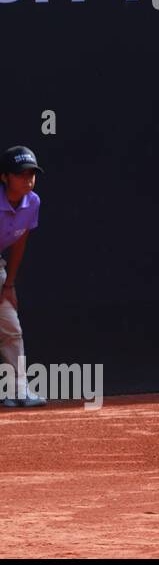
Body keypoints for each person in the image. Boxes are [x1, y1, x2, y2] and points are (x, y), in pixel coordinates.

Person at [0, 145, 48, 407]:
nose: (28, 179)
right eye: (20, 174)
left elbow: (20, 242)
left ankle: (17, 391)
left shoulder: (33, 202)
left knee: (11, 329)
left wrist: (9, 284)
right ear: (4, 177)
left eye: (32, 173)